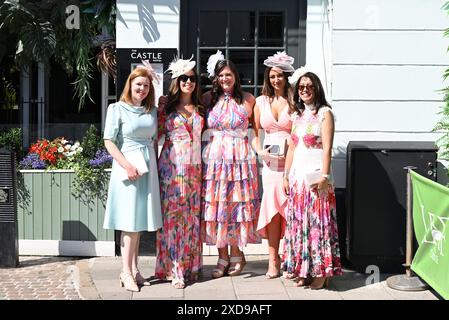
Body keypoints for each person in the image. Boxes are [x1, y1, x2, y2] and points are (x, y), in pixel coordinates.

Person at [103, 61, 163, 292]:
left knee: (138, 223)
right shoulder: (116, 109)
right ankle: (125, 272)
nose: (142, 89)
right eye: (139, 84)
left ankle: (135, 269)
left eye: (146, 85)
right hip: (127, 168)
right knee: (129, 223)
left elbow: (155, 138)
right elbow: (109, 141)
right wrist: (126, 165)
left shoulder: (151, 110)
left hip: (147, 168)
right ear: (130, 85)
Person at [202, 50, 261, 278]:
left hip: (240, 159)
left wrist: (261, 154)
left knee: (235, 206)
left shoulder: (248, 100)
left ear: (235, 76)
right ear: (216, 78)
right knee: (217, 206)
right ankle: (221, 256)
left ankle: (237, 253)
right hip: (215, 159)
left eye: (228, 74)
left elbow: (254, 133)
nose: (225, 79)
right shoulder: (207, 98)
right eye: (221, 75)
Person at [281, 68, 342, 289]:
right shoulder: (296, 115)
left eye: (309, 86)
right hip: (297, 177)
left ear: (317, 89)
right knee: (300, 224)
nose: (305, 90)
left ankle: (321, 271)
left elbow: (327, 148)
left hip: (317, 177)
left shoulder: (325, 113)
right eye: (301, 87)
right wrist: (286, 176)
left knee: (318, 225)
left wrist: (325, 176)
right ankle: (303, 269)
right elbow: (291, 149)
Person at [154, 56, 205, 289]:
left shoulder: (202, 105)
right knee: (172, 220)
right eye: (183, 78)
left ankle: (190, 266)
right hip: (171, 168)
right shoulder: (166, 106)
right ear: (177, 80)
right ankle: (174, 270)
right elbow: (153, 134)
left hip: (195, 169)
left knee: (191, 219)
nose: (188, 82)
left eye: (192, 78)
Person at [252, 52, 294, 279]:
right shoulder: (260, 102)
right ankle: (273, 259)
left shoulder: (295, 102)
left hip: (291, 163)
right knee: (273, 212)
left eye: (279, 76)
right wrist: (259, 151)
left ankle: (290, 256)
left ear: (286, 77)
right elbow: (254, 132)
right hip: (269, 165)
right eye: (272, 76)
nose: (275, 80)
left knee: (290, 208)